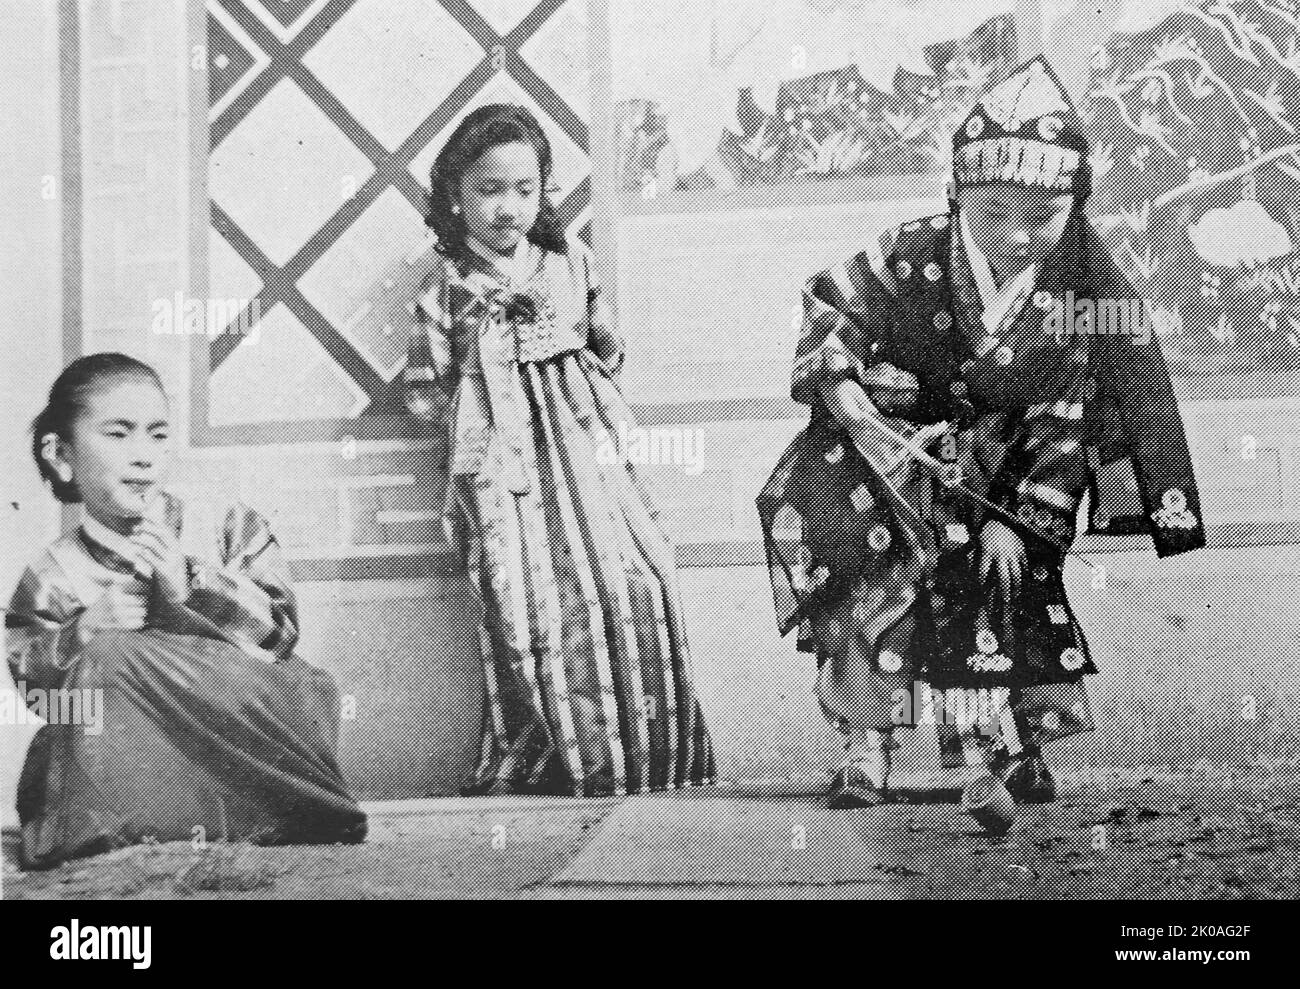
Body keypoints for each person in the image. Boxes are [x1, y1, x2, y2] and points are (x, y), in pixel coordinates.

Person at [758, 57, 1206, 809]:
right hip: (881, 460)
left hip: (994, 479)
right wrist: (843, 391)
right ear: (958, 193)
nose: (1017, 235)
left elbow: (1062, 420)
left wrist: (1022, 529)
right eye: (992, 212)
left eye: (1042, 217)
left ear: (1076, 205)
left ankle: (998, 756)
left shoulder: (1071, 299)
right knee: (873, 596)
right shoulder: (908, 252)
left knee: (995, 590)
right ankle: (866, 752)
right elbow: (831, 302)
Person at [404, 104, 715, 797]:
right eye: (488, 189)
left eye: (525, 188)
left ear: (544, 189)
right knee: (528, 607)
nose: (508, 207)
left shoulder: (569, 259)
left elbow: (607, 341)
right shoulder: (447, 286)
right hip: (505, 473)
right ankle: (550, 758)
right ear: (454, 193)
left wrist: (582, 356)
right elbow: (425, 394)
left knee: (635, 577)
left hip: (588, 455)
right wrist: (487, 397)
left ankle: (645, 759)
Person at [6, 353, 367, 868]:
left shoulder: (227, 523)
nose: (144, 456)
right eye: (119, 434)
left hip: (246, 718)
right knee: (105, 667)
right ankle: (156, 817)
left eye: (158, 434)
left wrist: (196, 587)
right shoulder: (53, 574)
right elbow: (40, 697)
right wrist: (85, 631)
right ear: (61, 454)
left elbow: (283, 639)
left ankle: (287, 805)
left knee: (307, 687)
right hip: (138, 754)